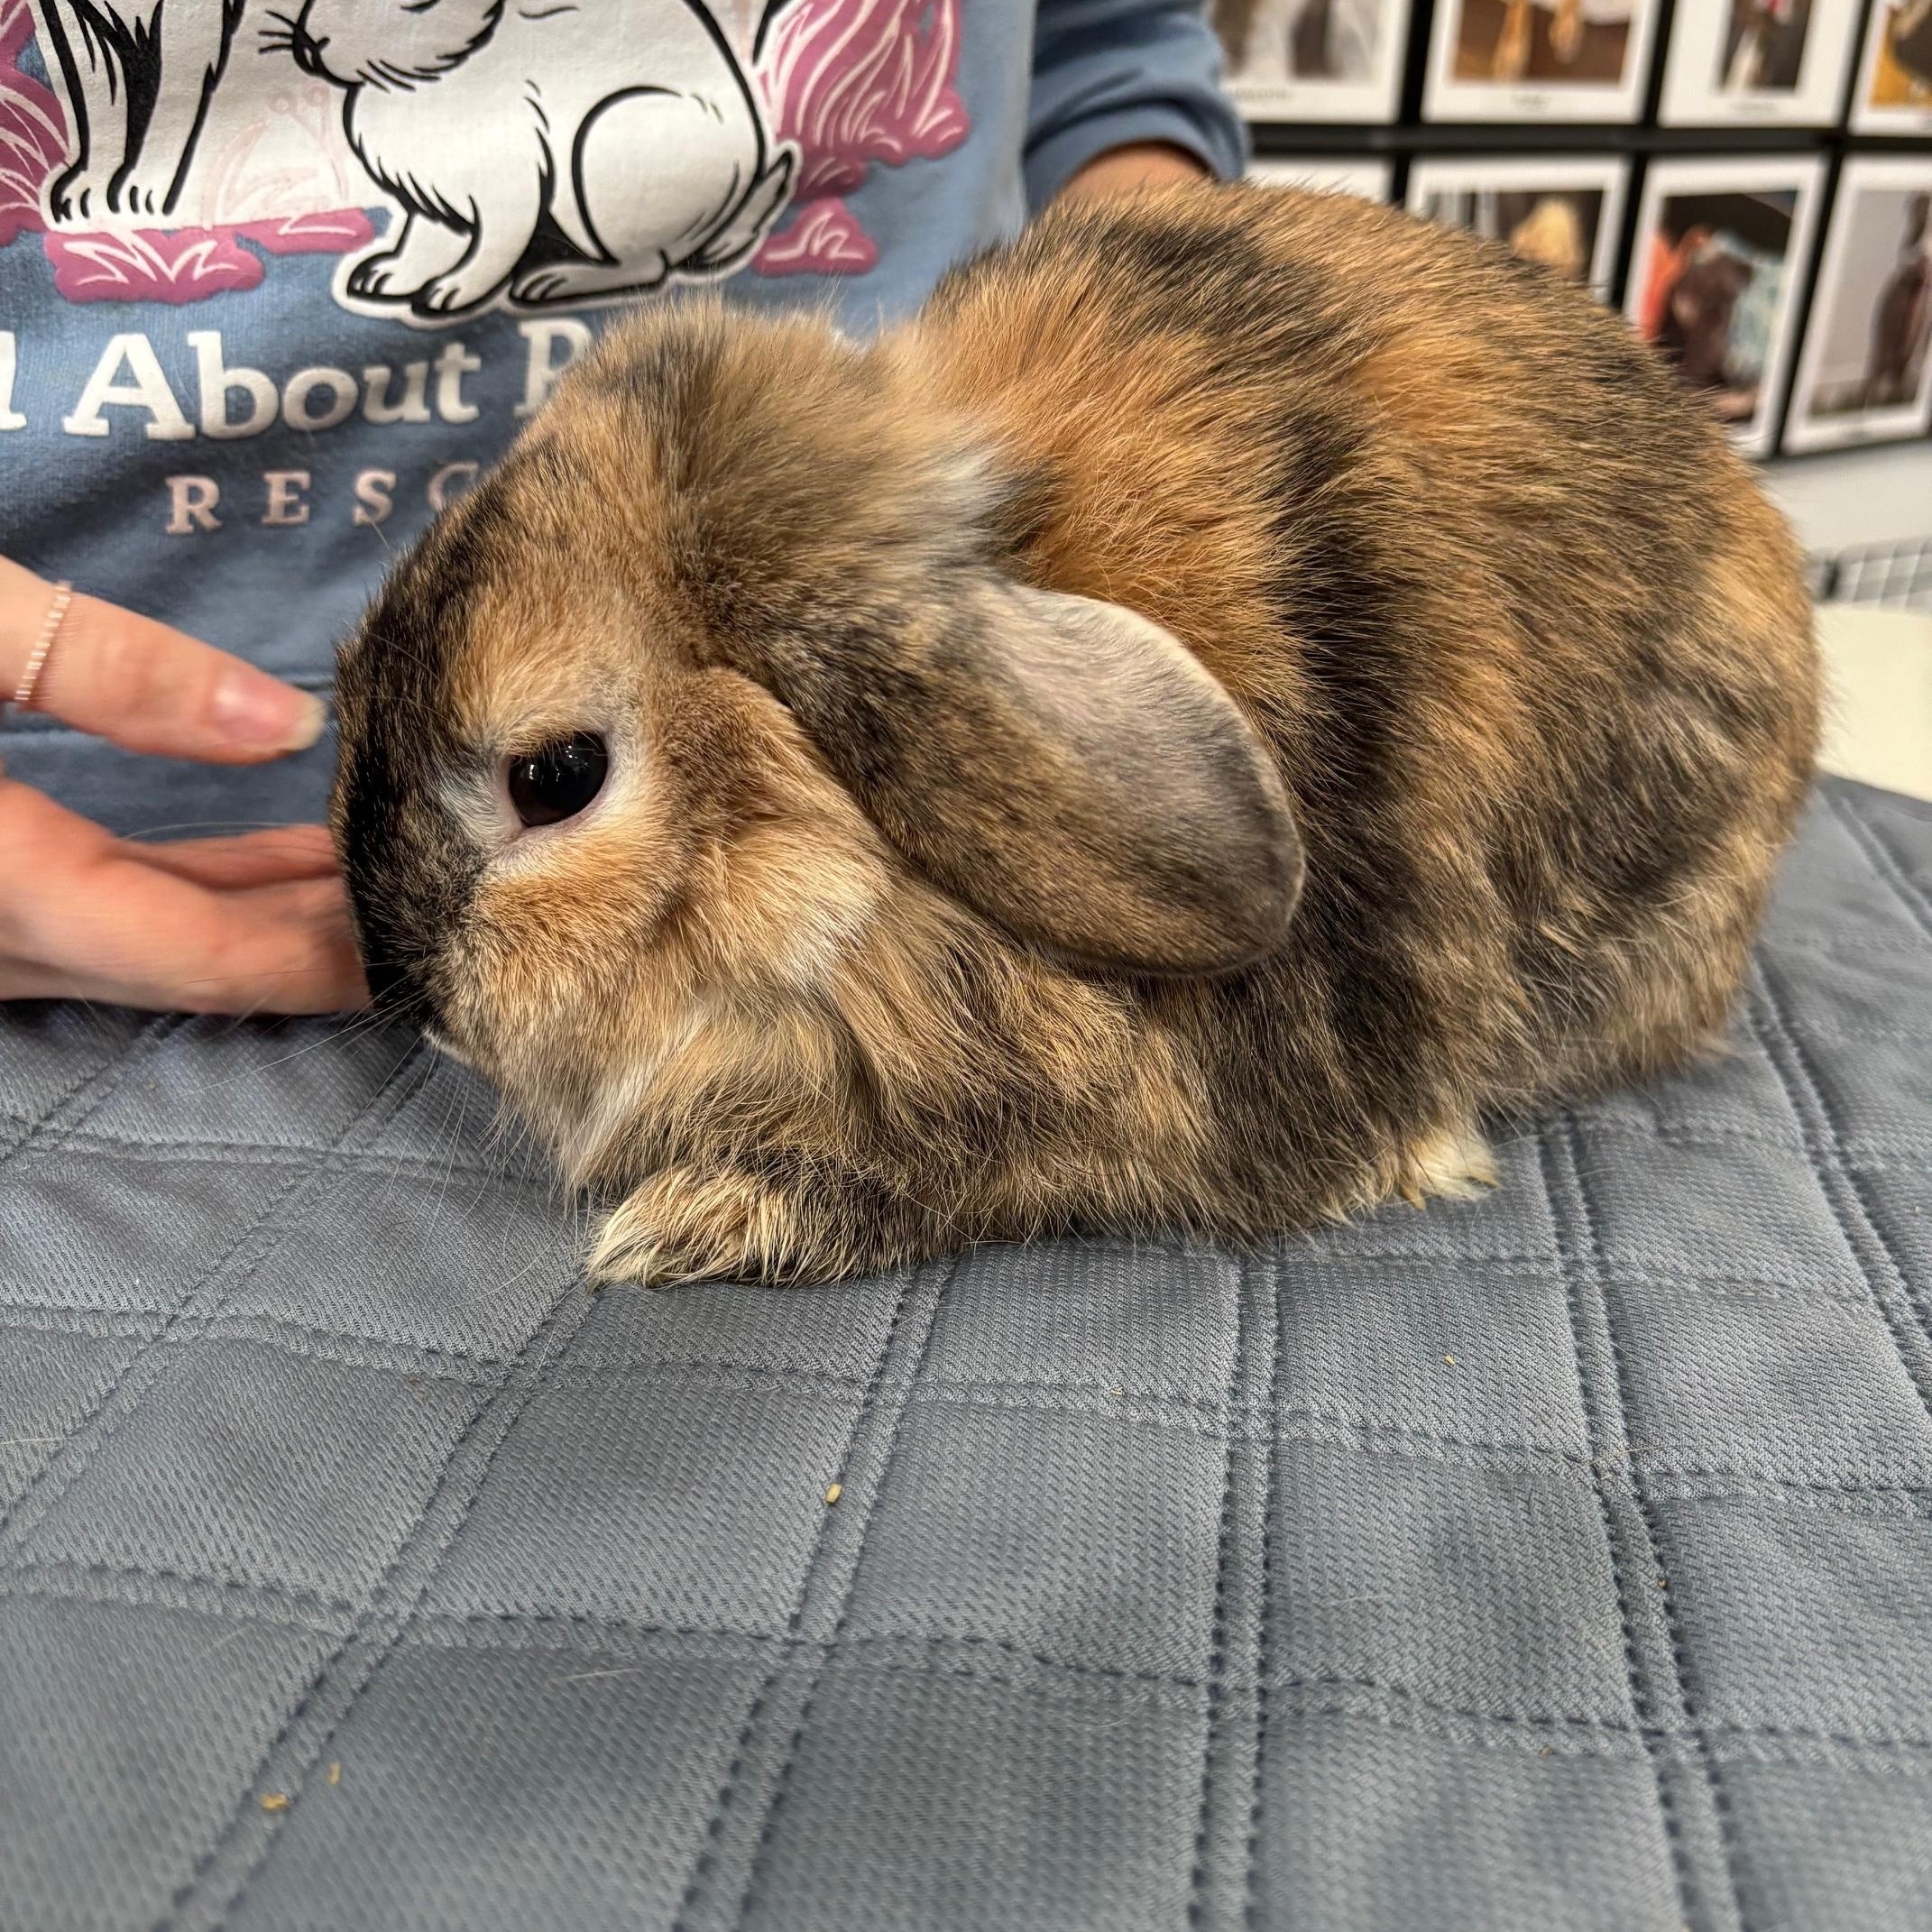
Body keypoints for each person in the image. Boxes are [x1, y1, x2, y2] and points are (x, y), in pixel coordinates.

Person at [1, 0, 1243, 1015]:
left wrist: (1131, 456)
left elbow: (1105, 46)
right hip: (68, 848)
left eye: (560, 776)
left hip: (909, 814)